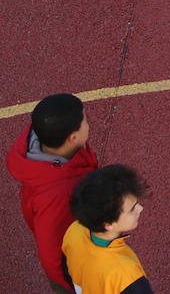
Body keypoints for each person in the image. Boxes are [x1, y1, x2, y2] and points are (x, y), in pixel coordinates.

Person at [6, 93, 100, 293]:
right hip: (75, 273)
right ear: (73, 137)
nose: (88, 123)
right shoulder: (58, 195)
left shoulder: (48, 139)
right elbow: (52, 254)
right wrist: (72, 286)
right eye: (85, 120)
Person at [62, 164, 152, 294]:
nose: (140, 209)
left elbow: (67, 272)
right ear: (108, 224)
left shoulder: (74, 231)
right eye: (132, 208)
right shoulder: (127, 275)